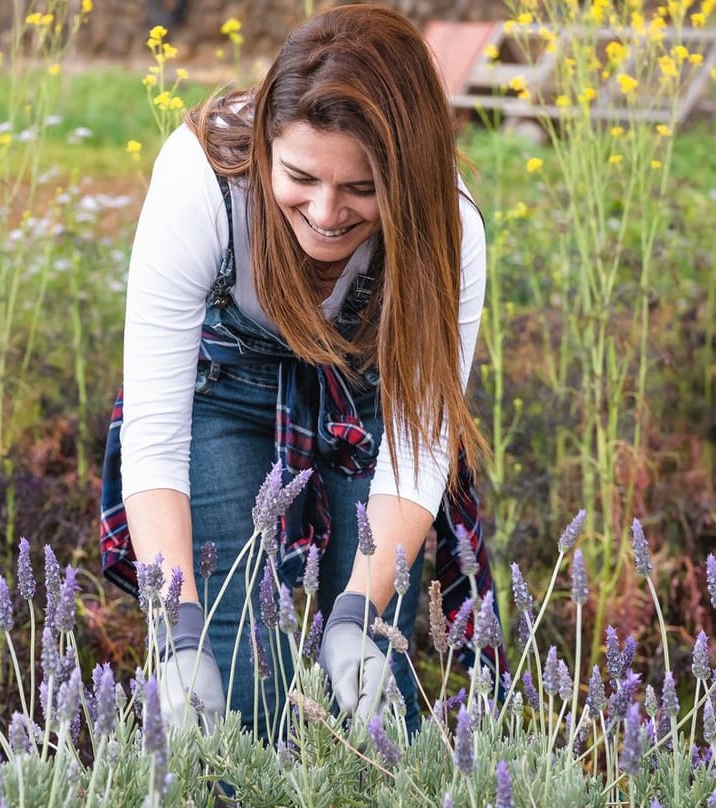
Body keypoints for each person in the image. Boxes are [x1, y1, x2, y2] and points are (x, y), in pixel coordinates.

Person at [99, 3, 501, 738]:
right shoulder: (201, 181)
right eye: (301, 176)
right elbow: (155, 443)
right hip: (224, 396)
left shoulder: (450, 225)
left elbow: (418, 453)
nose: (325, 212)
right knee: (237, 681)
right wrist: (179, 629)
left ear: (405, 179)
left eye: (361, 190)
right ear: (264, 145)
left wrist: (356, 613)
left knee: (373, 682)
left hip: (369, 404)